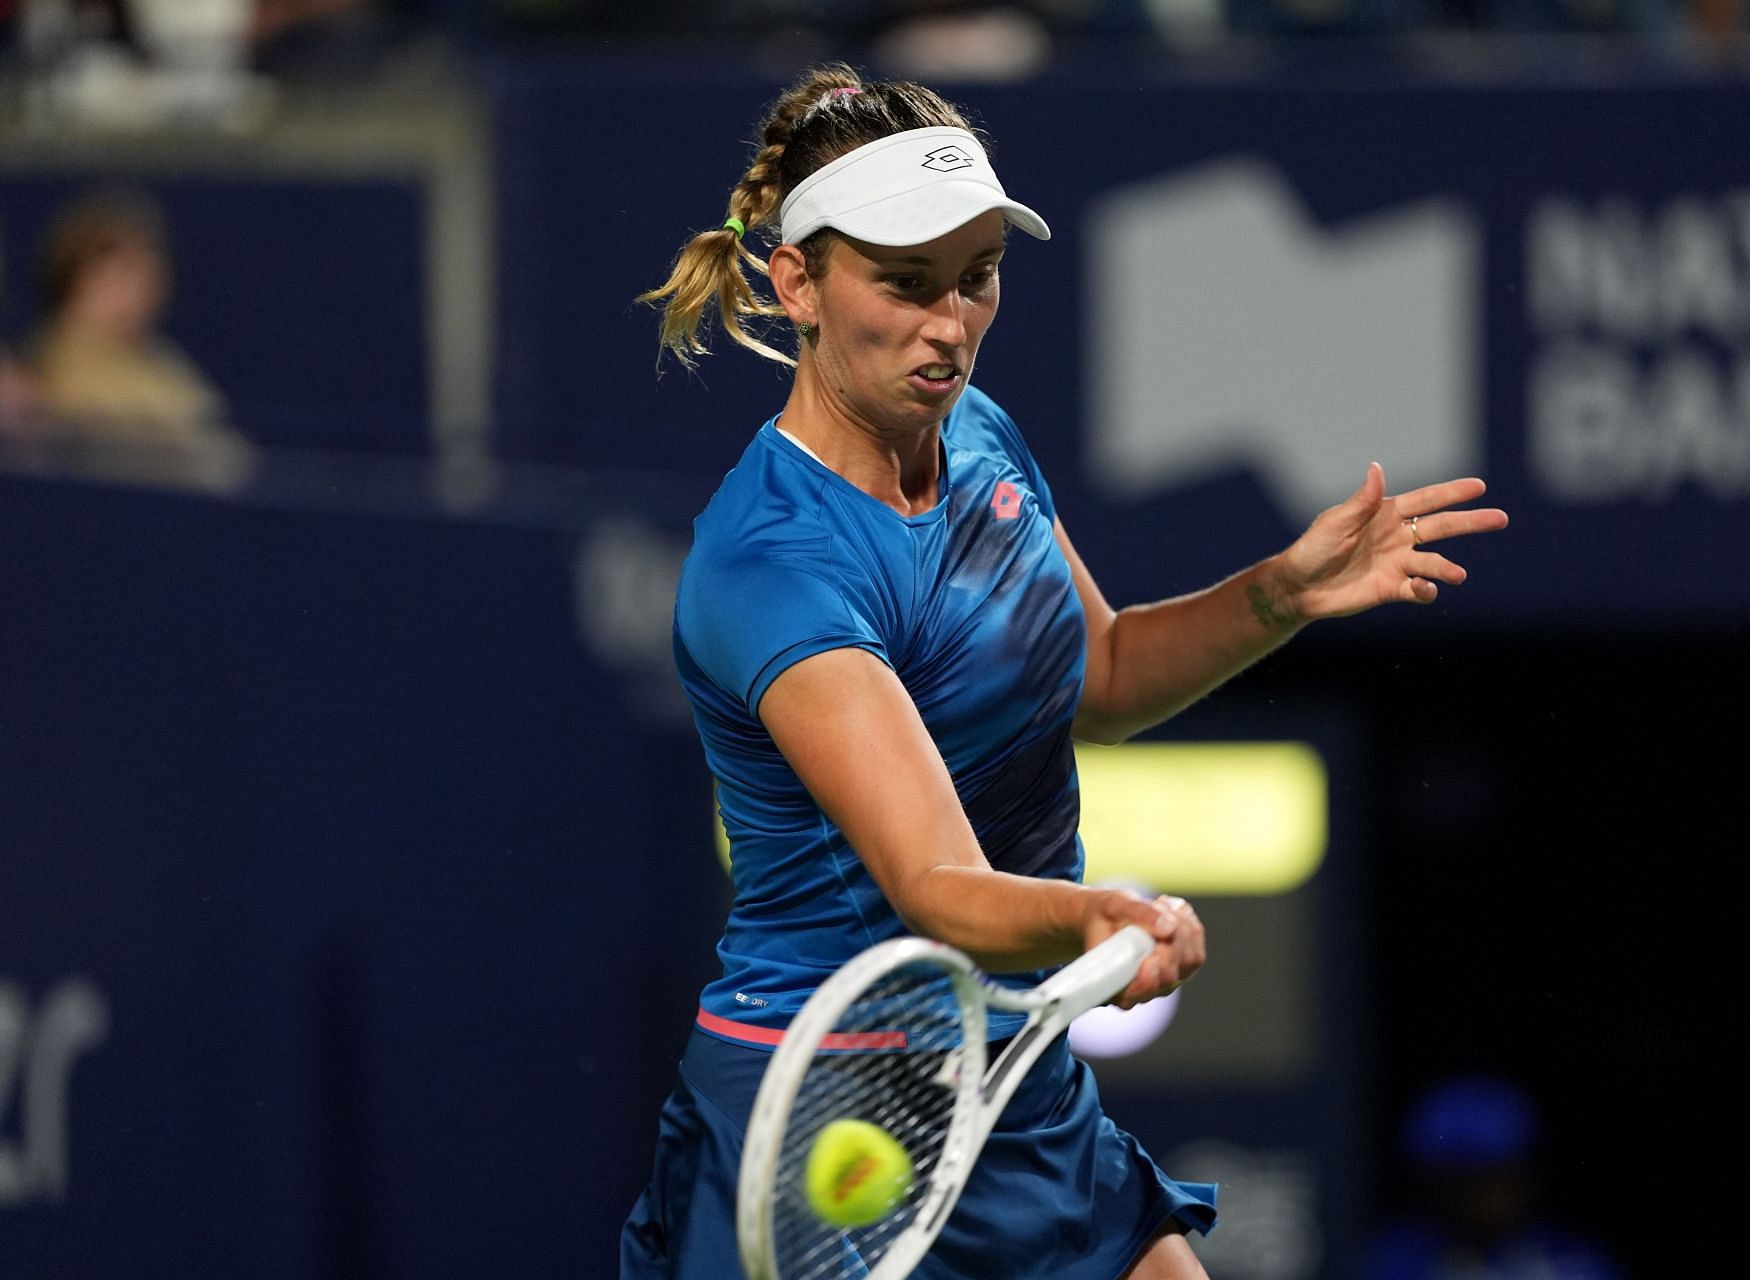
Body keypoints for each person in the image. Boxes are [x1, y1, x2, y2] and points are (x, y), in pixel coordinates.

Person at [624, 62, 1508, 1280]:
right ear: (799, 282)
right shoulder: (774, 564)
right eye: (905, 283)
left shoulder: (978, 430)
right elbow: (936, 879)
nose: (951, 323)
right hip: (826, 1118)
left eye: (976, 276)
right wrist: (1099, 913)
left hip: (1013, 1078)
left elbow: (1099, 669)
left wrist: (1277, 594)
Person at [23, 187, 251, 480]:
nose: (136, 290)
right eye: (118, 275)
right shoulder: (56, 366)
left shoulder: (159, 359)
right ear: (75, 278)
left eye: (145, 273)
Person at [1367, 1076, 1626, 1280]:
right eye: (1459, 1185)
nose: (1476, 1201)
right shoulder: (1392, 1264)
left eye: (1491, 1180)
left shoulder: (1572, 1264)